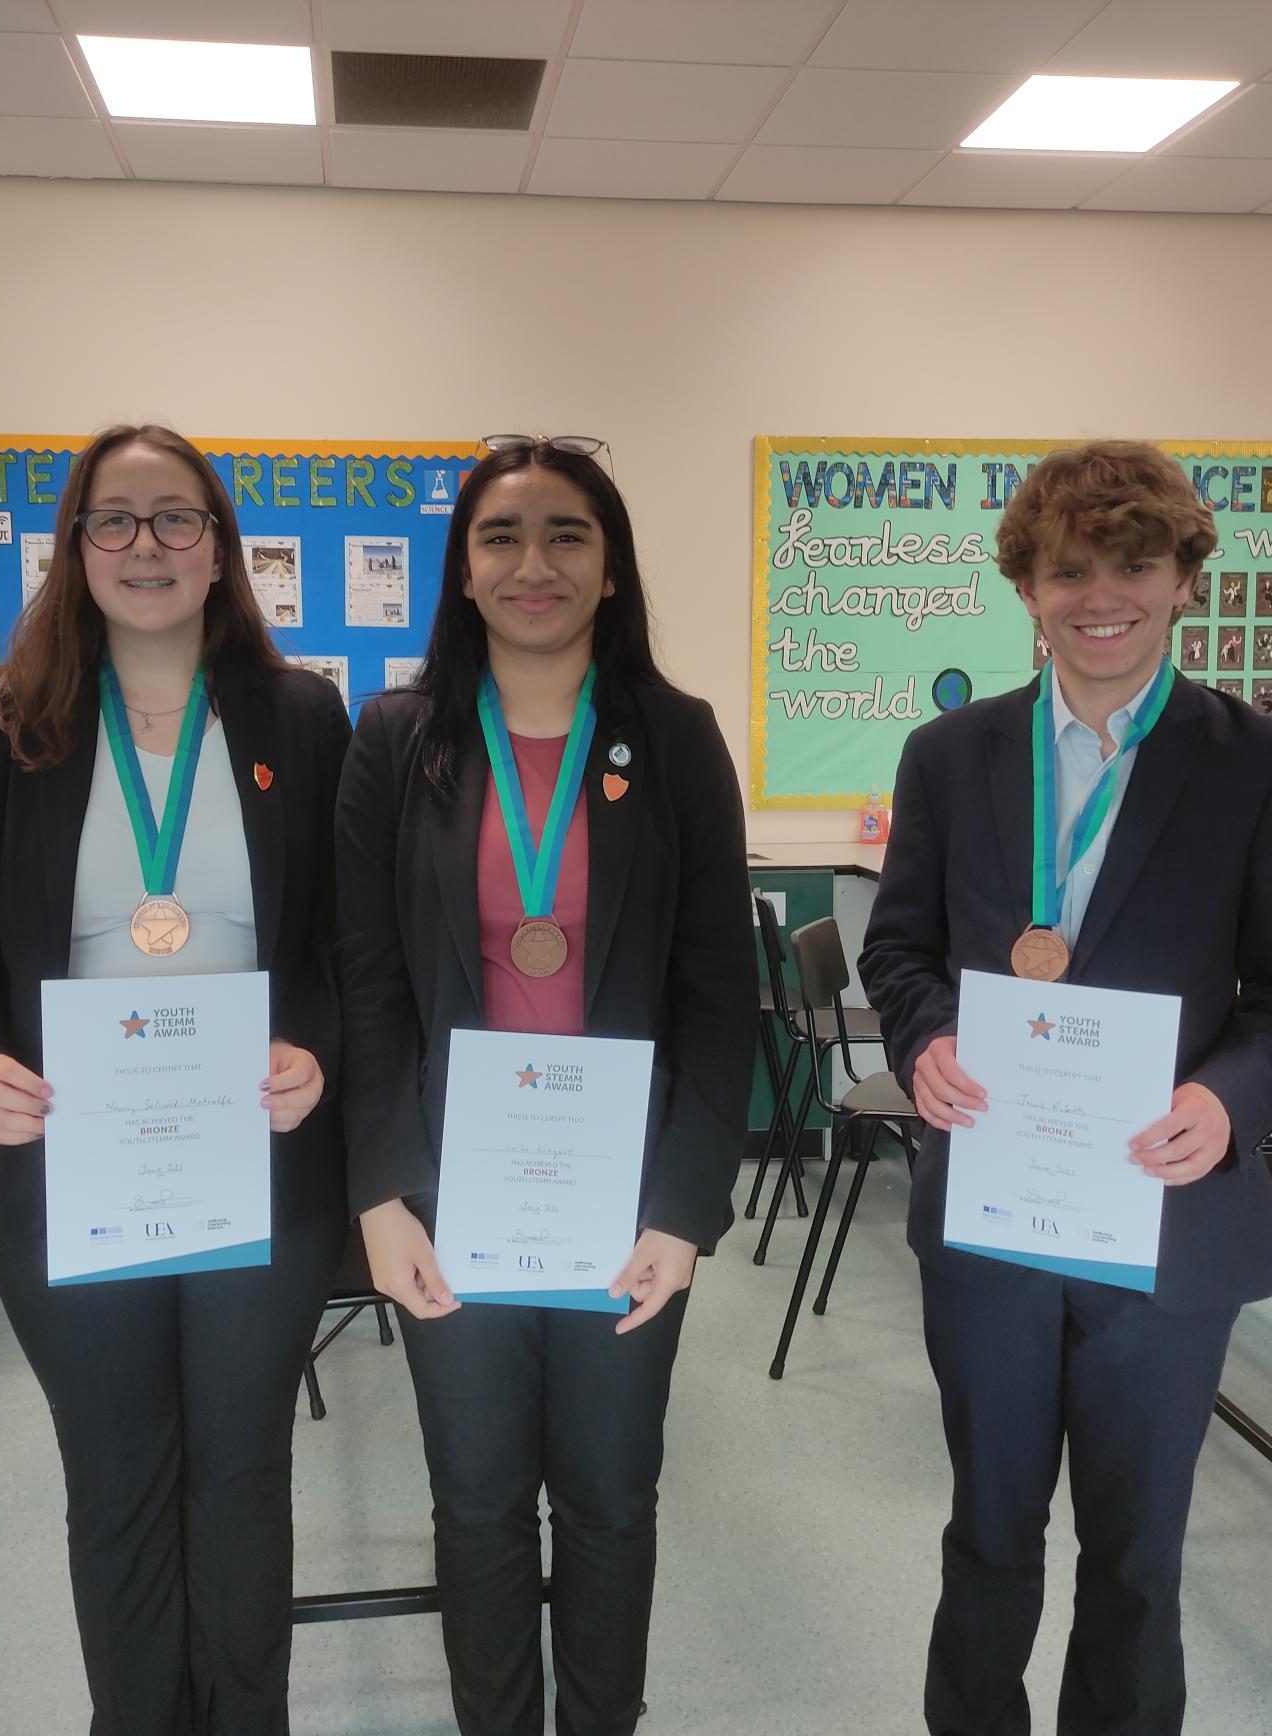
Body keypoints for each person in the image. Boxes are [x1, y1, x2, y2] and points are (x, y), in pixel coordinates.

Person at [858, 439, 1272, 1736]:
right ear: (1028, 587)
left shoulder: (1256, 762)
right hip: (995, 1213)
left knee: (1135, 1558)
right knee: (988, 1538)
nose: (1101, 597)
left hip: (1162, 1217)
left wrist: (1227, 1101)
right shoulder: (950, 755)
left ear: (1185, 579)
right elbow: (898, 952)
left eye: (1134, 566)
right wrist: (926, 1040)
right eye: (1070, 571)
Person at [0, 422, 350, 1735]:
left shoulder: (301, 719)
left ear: (219, 547)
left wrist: (316, 1046)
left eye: (175, 518)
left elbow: (345, 944)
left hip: (255, 1162)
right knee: (117, 1479)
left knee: (240, 1470)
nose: (145, 545)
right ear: (75, 545)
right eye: (115, 518)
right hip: (71, 1169)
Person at [336, 437, 755, 1736]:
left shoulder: (674, 740)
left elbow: (717, 997)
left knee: (612, 1500)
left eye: (568, 534)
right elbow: (367, 988)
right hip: (447, 1197)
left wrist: (684, 1211)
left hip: (625, 1206)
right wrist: (381, 1195)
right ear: (462, 572)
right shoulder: (397, 742)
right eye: (501, 537)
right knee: (475, 1502)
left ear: (611, 568)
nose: (535, 564)